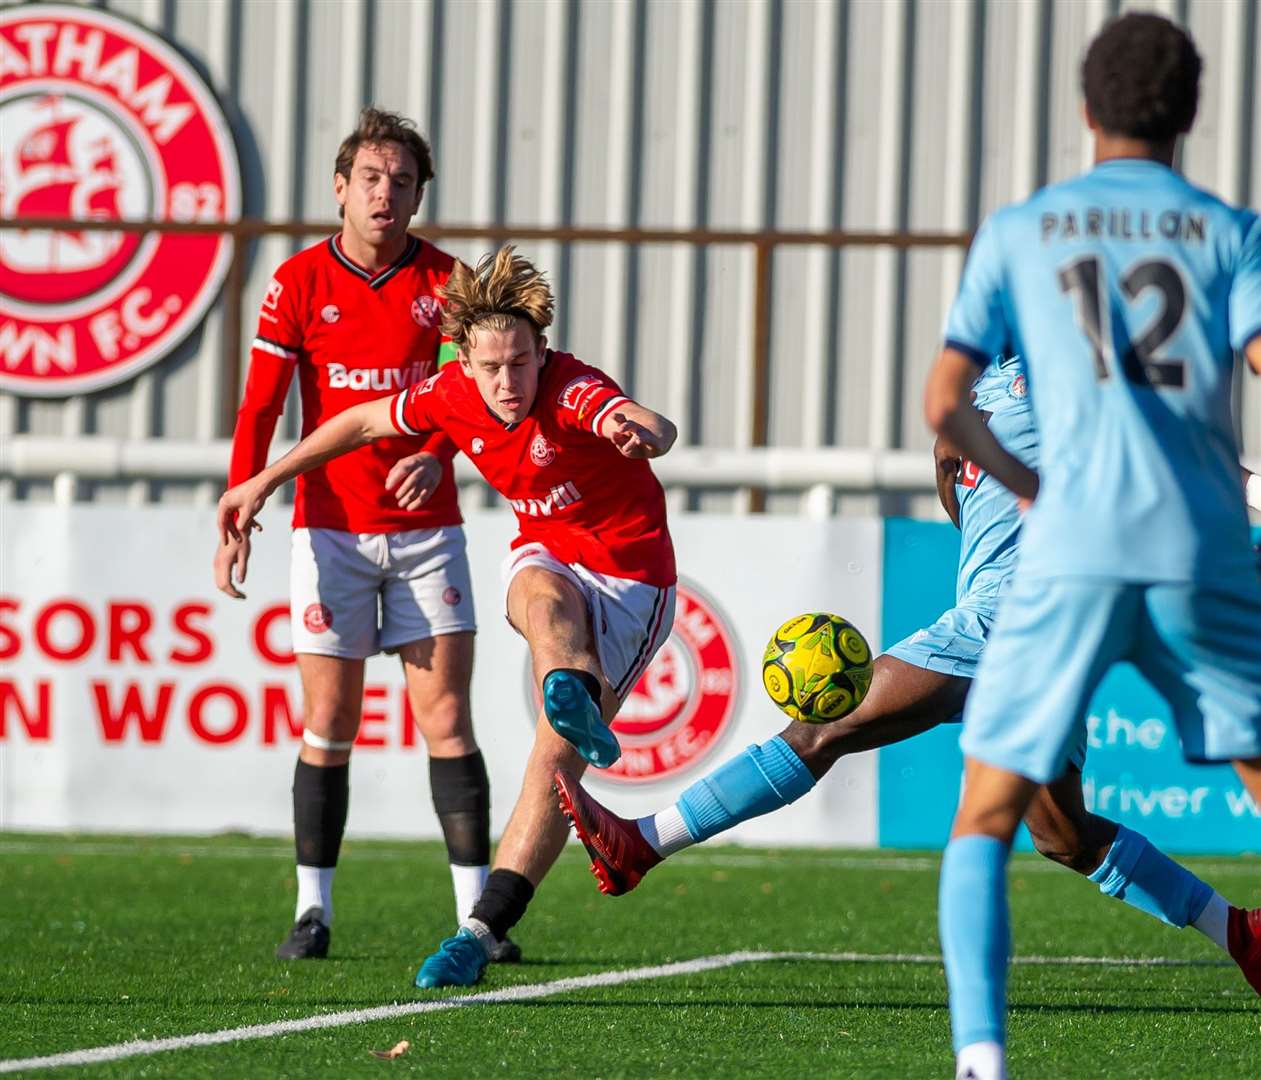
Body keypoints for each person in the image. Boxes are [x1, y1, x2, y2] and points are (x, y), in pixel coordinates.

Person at [554, 352, 1261, 988]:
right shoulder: (986, 384)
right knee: (1062, 836)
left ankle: (641, 844)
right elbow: (951, 470)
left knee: (823, 729)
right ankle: (1238, 933)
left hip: (1014, 622)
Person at [921, 15, 1261, 1079]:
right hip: (1197, 544)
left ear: (1084, 109)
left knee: (986, 812)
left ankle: (981, 1062)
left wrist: (1030, 490)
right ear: (1191, 116)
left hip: (1068, 548)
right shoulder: (1227, 230)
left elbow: (943, 403)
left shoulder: (1022, 228)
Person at [216, 245, 679, 989]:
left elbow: (638, 419)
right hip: (550, 557)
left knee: (549, 772)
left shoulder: (571, 389)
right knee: (535, 588)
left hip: (630, 585)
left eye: (520, 364)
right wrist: (261, 482)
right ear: (463, 359)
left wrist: (643, 430)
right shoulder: (454, 393)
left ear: (542, 353)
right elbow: (362, 421)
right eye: (491, 366)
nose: (506, 383)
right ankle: (571, 688)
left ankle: (481, 926)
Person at [214, 107, 509, 963]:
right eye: (371, 179)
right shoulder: (299, 282)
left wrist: (440, 448)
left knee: (446, 717)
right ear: (340, 188)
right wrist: (240, 508)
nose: (386, 195)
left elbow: (487, 390)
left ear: (420, 197)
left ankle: (476, 922)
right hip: (329, 533)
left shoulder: (450, 284)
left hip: (426, 534)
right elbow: (260, 405)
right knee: (328, 721)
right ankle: (313, 913)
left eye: (403, 182)